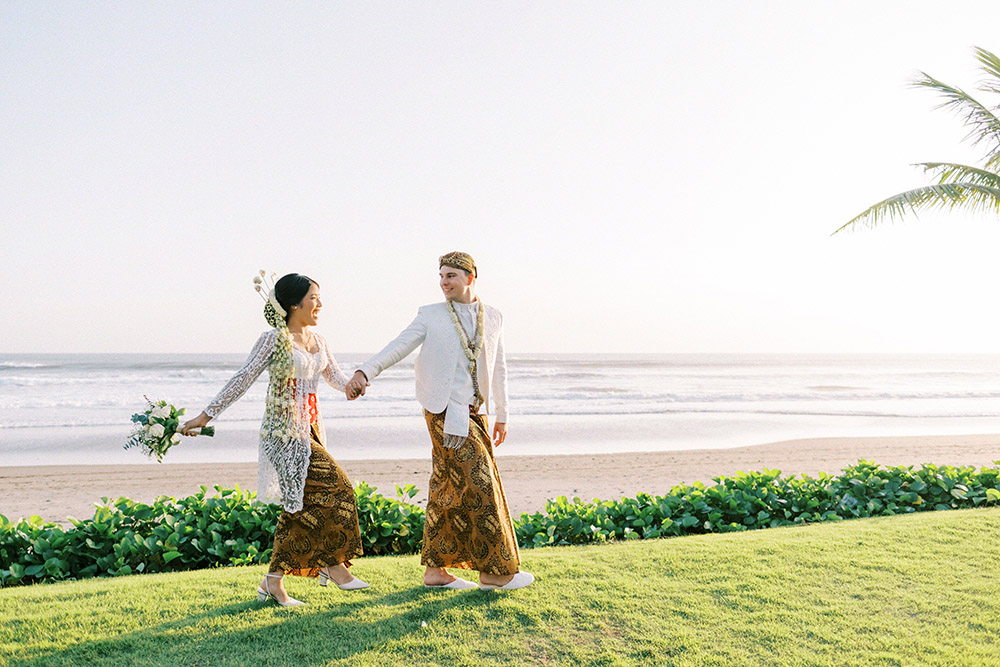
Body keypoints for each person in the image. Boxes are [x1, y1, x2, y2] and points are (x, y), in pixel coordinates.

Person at [346, 252, 533, 591]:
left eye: (451, 276)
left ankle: (436, 572)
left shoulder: (493, 316)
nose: (444, 282)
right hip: (443, 411)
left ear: (470, 277)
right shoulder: (430, 315)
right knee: (480, 484)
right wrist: (365, 371)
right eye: (442, 276)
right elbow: (399, 345)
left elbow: (499, 367)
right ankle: (494, 573)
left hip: (476, 412)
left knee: (448, 487)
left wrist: (502, 414)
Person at [180, 272, 368, 606]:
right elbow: (242, 379)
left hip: (311, 432)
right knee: (338, 488)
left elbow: (336, 379)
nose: (319, 304)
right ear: (293, 304)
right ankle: (333, 566)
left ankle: (274, 582)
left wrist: (354, 385)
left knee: (300, 507)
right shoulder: (273, 340)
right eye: (313, 298)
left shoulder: (319, 340)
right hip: (282, 434)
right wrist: (204, 416)